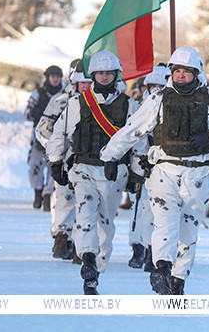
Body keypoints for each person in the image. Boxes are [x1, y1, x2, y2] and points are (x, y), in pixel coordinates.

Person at [99, 47, 209, 295]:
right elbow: (132, 129)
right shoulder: (157, 99)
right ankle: (162, 268)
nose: (181, 75)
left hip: (199, 175)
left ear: (196, 73)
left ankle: (179, 279)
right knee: (164, 223)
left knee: (188, 230)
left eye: (187, 71)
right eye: (177, 71)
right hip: (164, 170)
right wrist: (110, 156)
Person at [46, 51, 139, 294]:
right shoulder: (77, 103)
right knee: (85, 215)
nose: (104, 77)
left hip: (114, 174)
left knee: (105, 224)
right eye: (100, 73)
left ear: (116, 75)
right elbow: (59, 133)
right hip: (83, 169)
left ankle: (97, 266)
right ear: (93, 75)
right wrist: (55, 162)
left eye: (109, 73)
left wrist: (137, 174)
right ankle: (87, 260)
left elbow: (139, 141)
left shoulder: (129, 105)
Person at [35, 59, 90, 262]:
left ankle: (81, 246)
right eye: (83, 82)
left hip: (92, 161)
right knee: (64, 199)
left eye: (90, 82)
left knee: (88, 203)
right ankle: (61, 238)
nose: (86, 86)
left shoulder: (102, 103)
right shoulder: (61, 101)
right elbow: (43, 128)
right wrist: (57, 150)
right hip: (66, 160)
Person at [125, 64, 170, 271]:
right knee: (139, 208)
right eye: (152, 86)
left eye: (160, 86)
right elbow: (133, 137)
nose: (155, 90)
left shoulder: (172, 108)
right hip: (142, 165)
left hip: (165, 166)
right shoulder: (139, 108)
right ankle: (138, 247)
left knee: (159, 211)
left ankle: (154, 250)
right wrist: (136, 166)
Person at [25, 65, 65, 210]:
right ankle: (38, 192)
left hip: (58, 136)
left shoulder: (64, 95)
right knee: (34, 167)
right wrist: (38, 113)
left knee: (54, 168)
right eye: (53, 76)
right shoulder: (38, 93)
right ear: (47, 77)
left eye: (58, 77)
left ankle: (48, 195)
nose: (55, 79)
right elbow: (27, 114)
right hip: (39, 137)